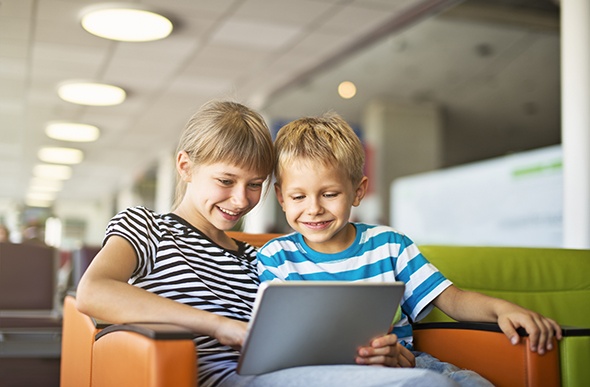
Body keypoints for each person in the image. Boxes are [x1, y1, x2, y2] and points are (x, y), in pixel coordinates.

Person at [76, 100, 455, 387]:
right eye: (226, 181)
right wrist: (219, 326)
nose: (241, 200)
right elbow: (94, 292)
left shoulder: (257, 259)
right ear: (185, 166)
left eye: (254, 184)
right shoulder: (146, 227)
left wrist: (376, 352)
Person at [257, 112, 563, 387]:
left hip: (400, 362)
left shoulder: (389, 245)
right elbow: (281, 344)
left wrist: (502, 310)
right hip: (319, 374)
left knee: (470, 382)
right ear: (281, 198)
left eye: (329, 193)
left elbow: (452, 299)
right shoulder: (276, 257)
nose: (313, 209)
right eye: (298, 197)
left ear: (358, 191)